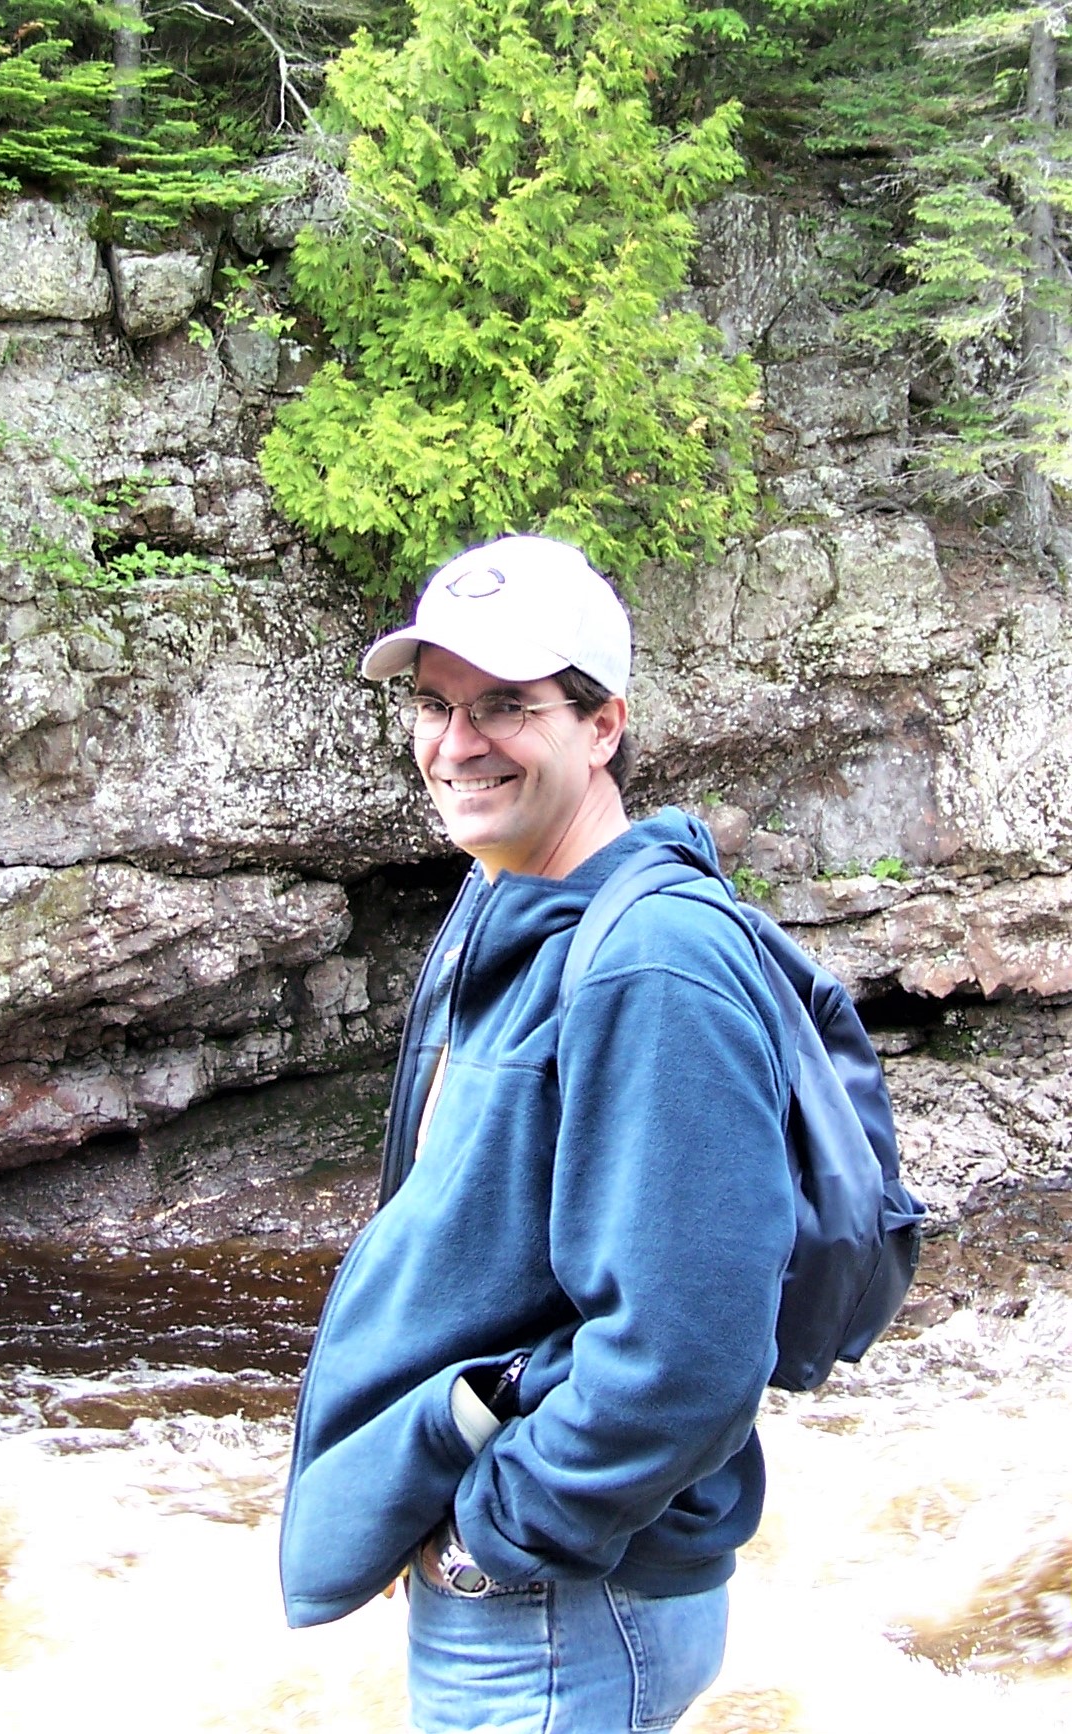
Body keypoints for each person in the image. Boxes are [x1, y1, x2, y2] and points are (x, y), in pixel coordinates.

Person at [279, 535, 798, 1733]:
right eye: (433, 703)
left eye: (506, 705)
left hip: (558, 1610)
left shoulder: (653, 961)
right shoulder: (504, 893)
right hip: (543, 1599)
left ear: (602, 724)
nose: (455, 743)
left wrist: (491, 1539)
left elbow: (691, 1351)